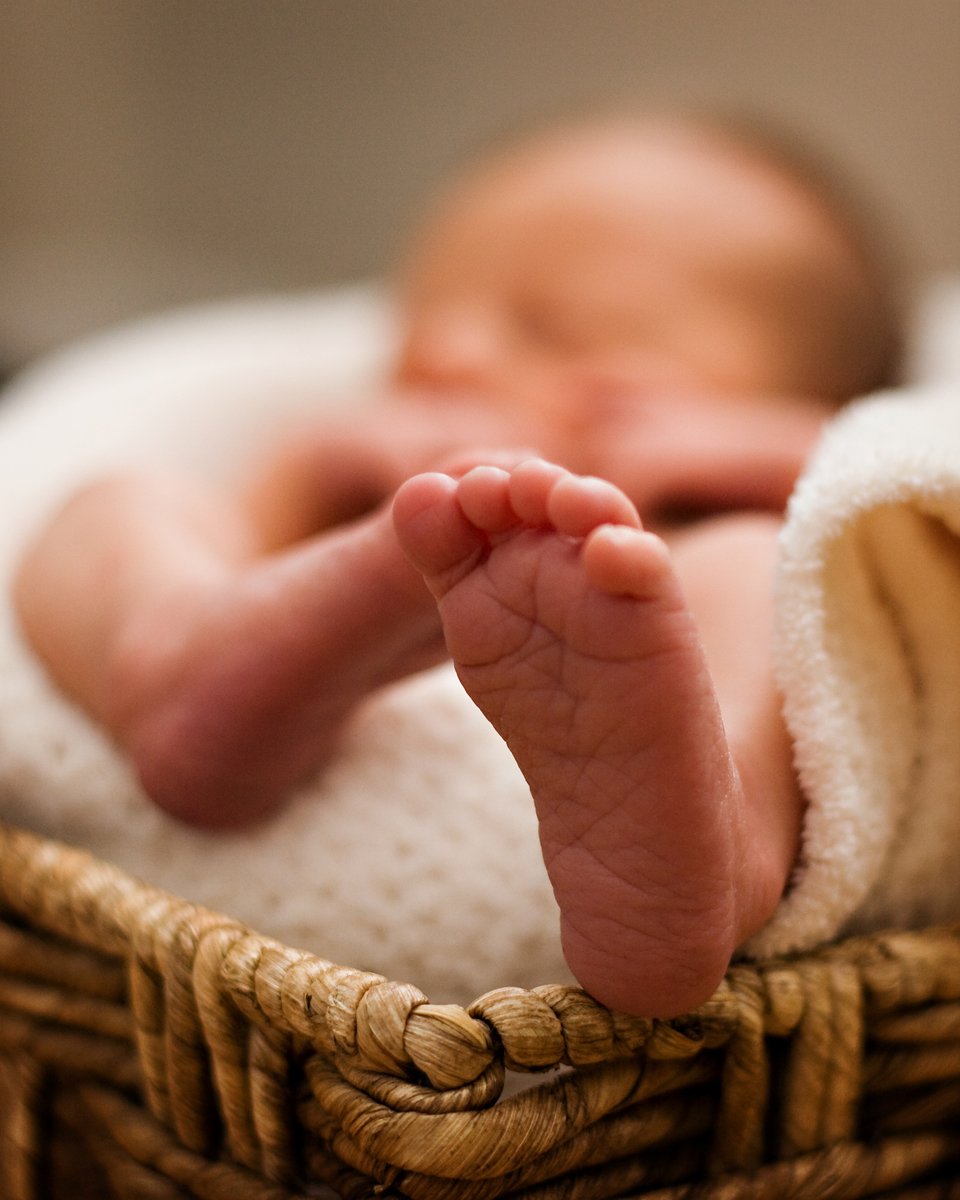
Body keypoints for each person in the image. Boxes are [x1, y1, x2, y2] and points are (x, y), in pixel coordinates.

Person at [11, 114, 901, 1017]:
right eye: (425, 317)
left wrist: (791, 453)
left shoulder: (753, 499)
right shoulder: (358, 454)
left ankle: (711, 850)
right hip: (314, 693)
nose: (450, 353)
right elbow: (247, 532)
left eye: (563, 333)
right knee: (119, 504)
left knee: (757, 574)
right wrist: (324, 479)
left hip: (635, 693)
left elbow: (899, 496)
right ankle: (181, 660)